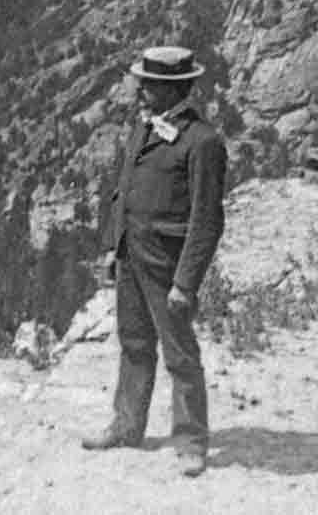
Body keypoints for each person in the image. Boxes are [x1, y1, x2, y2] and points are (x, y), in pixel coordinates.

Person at [82, 43, 227, 477]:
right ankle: (126, 426)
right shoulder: (145, 128)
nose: (141, 90)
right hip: (132, 257)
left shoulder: (202, 142)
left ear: (176, 89)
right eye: (143, 82)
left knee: (180, 353)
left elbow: (206, 220)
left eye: (152, 85)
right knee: (134, 344)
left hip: (167, 264)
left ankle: (191, 442)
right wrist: (113, 247)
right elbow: (124, 191)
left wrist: (186, 282)